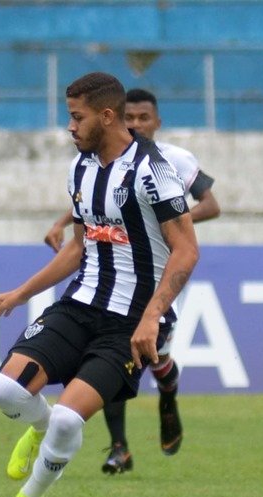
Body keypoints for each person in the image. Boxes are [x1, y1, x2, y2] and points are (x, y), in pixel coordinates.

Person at [0, 72, 199, 497]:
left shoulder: (153, 171)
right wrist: (21, 293)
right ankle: (36, 429)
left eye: (76, 117)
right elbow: (79, 248)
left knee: (67, 416)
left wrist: (151, 318)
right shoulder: (80, 168)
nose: (69, 127)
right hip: (81, 304)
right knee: (7, 391)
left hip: (131, 323)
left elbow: (186, 250)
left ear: (106, 116)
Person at [41, 87, 220, 475]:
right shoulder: (105, 158)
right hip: (116, 281)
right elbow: (97, 200)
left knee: (155, 357)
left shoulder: (172, 160)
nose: (137, 123)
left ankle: (168, 392)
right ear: (119, 118)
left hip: (159, 273)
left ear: (157, 121)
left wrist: (162, 221)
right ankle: (119, 446)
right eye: (132, 118)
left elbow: (211, 205)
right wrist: (61, 223)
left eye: (145, 118)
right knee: (107, 357)